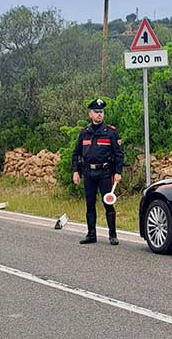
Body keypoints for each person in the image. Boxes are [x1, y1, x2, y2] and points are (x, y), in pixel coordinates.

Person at [72, 98, 123, 245]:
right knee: (90, 204)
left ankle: (112, 235)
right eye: (96, 112)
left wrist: (117, 172)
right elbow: (76, 154)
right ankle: (91, 234)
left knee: (108, 204)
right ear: (90, 114)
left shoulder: (110, 132)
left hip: (105, 173)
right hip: (88, 173)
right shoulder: (84, 133)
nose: (99, 114)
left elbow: (119, 154)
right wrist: (76, 171)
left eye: (101, 112)